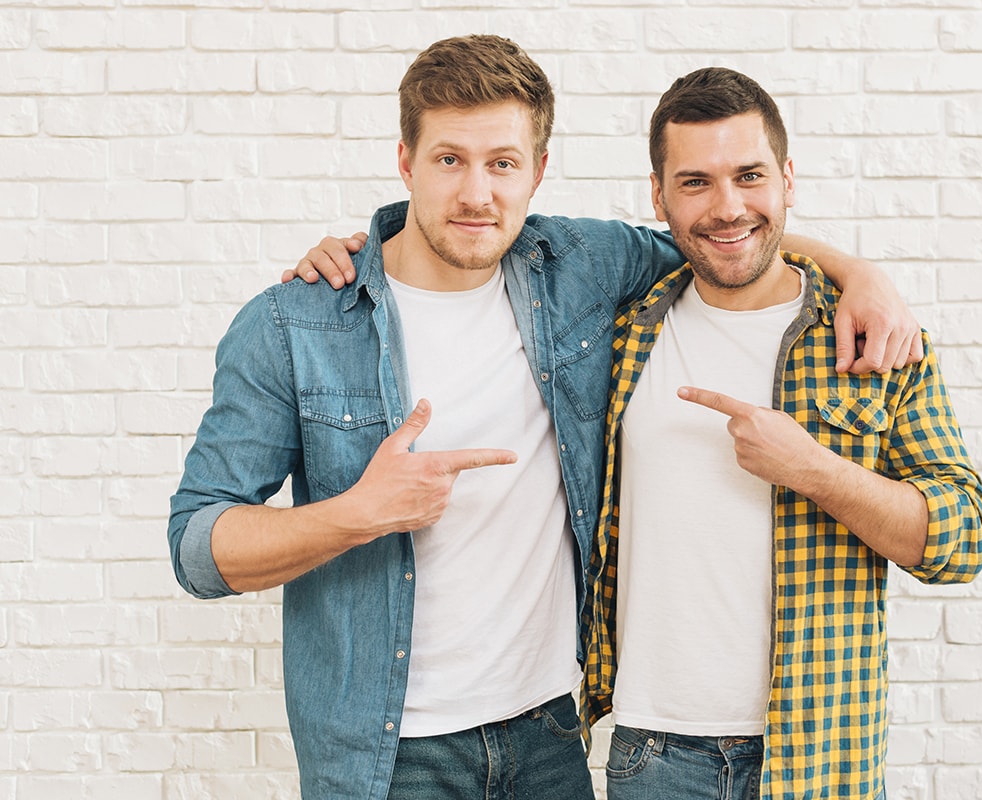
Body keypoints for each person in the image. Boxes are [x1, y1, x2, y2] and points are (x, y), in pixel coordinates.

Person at [169, 36, 918, 800]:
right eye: (449, 160)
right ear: (405, 162)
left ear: (538, 170)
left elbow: (721, 232)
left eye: (502, 163)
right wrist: (357, 515)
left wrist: (861, 273)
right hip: (388, 757)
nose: (476, 195)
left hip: (551, 740)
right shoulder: (295, 325)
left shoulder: (576, 267)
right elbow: (198, 549)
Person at [576, 68, 982, 800]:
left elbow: (960, 544)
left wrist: (815, 470)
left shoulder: (875, 338)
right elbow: (483, 249)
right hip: (654, 755)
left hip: (821, 752)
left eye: (749, 176)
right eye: (696, 182)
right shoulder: (618, 334)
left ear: (788, 178)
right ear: (658, 195)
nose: (728, 206)